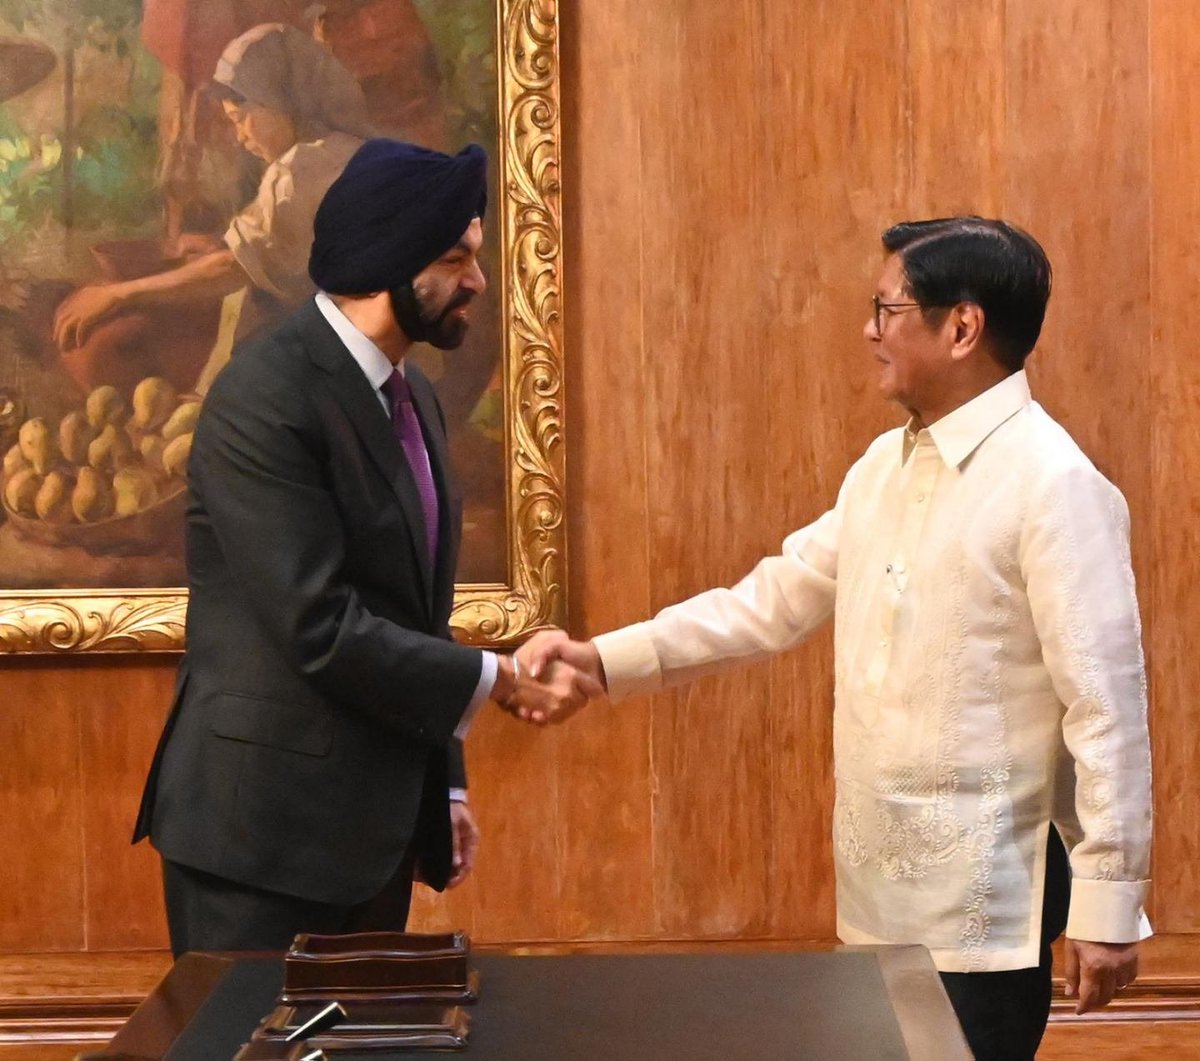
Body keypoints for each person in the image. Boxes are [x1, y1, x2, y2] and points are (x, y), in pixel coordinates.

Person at [519, 218, 1153, 1061]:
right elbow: (769, 601)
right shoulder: (881, 468)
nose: (870, 330)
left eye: (886, 308)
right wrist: (603, 659)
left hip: (985, 920)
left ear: (961, 328)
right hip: (874, 902)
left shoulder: (1056, 484)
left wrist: (1107, 908)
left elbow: (1106, 707)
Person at [133, 138, 599, 956]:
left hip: (368, 839)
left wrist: (444, 783)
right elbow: (318, 624)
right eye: (457, 258)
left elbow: (414, 611)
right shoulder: (262, 398)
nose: (478, 283)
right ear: (392, 260)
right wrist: (499, 677)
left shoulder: (414, 392)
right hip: (257, 843)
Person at [53, 23, 375, 369]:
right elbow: (272, 244)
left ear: (279, 101)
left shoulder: (300, 168)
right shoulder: (344, 150)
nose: (239, 138)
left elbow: (232, 269)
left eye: (241, 119)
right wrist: (223, 247)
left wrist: (118, 294)